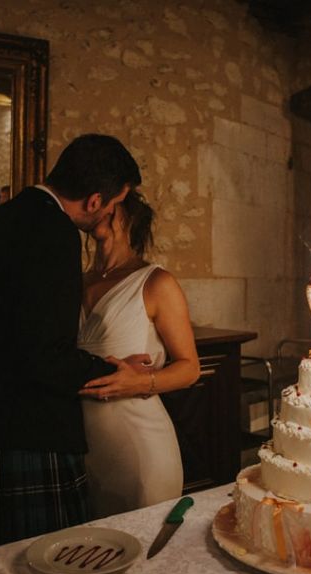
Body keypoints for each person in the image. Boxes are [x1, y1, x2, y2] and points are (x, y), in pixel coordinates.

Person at [0, 133, 145, 554]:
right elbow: (43, 356)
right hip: (25, 430)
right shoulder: (54, 232)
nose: (109, 214)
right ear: (93, 201)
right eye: (112, 203)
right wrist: (117, 372)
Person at [77, 190, 199, 518]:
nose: (99, 208)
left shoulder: (156, 282)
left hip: (140, 448)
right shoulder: (77, 282)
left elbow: (190, 368)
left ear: (129, 217)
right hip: (83, 452)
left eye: (110, 205)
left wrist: (139, 383)